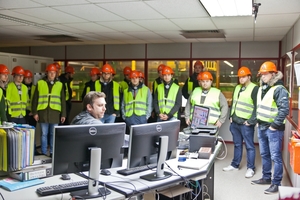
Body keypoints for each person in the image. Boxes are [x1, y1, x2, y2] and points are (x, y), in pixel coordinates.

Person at [251, 61, 289, 194]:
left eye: (266, 74)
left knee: (275, 157)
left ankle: (276, 183)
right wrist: (257, 120)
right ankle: (266, 177)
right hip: (261, 126)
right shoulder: (262, 87)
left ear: (273, 74)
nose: (263, 76)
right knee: (264, 154)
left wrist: (273, 126)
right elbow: (259, 107)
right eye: (261, 74)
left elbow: (284, 110)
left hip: (273, 129)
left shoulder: (279, 89)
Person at [222, 66, 258, 178]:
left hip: (246, 124)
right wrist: (231, 117)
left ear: (249, 76)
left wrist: (251, 121)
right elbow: (234, 103)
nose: (241, 79)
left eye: (243, 77)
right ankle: (235, 165)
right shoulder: (237, 87)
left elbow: (258, 107)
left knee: (249, 146)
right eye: (239, 77)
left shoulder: (254, 88)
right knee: (237, 145)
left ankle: (251, 168)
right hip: (235, 122)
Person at [32, 63, 66, 157]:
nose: (52, 74)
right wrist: (35, 113)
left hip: (55, 113)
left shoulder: (60, 84)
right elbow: (35, 99)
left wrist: (63, 114)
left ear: (56, 73)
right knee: (44, 134)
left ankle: (52, 152)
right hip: (43, 113)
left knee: (53, 134)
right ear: (47, 73)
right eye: (50, 72)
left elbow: (63, 100)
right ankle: (43, 152)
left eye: (53, 72)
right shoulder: (40, 83)